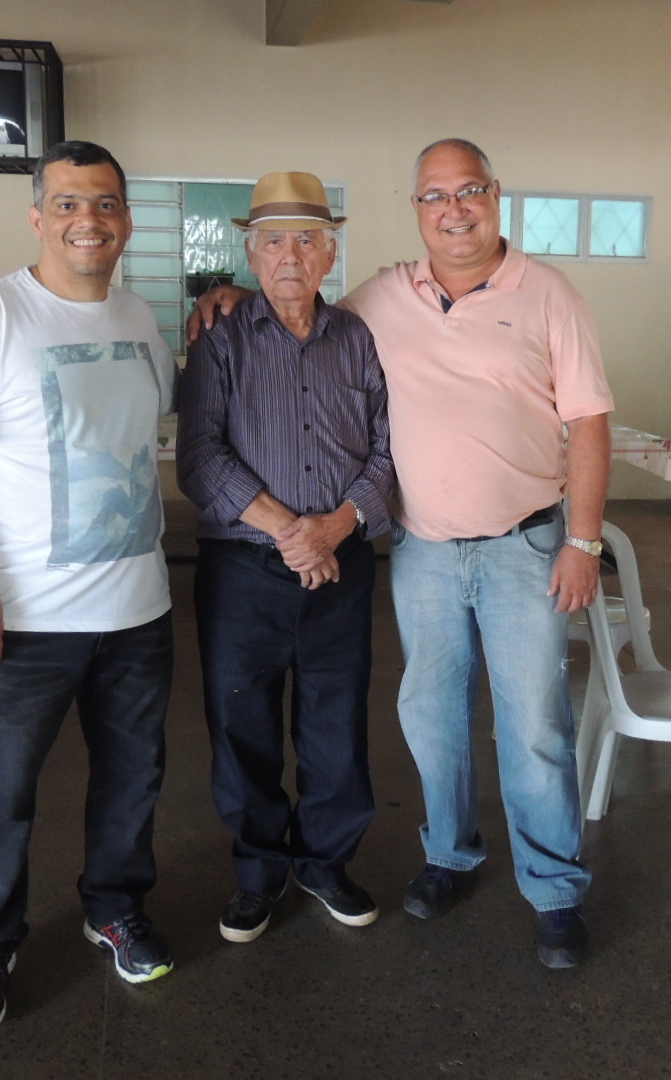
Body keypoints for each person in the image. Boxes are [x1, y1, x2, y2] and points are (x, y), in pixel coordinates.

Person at [193, 139, 612, 968]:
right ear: (416, 209)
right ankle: (450, 856)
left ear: (495, 195)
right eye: (435, 196)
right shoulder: (382, 297)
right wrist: (229, 295)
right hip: (421, 551)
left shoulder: (549, 295)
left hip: (523, 544)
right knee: (431, 717)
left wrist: (583, 541)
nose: (454, 209)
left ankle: (555, 888)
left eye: (469, 192)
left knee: (534, 725)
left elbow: (589, 423)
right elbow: (286, 319)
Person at [0, 141, 178, 1032]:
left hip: (138, 609)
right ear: (37, 218)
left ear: (125, 219)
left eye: (103, 203)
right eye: (66, 204)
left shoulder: (140, 319)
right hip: (21, 620)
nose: (86, 220)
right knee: (0, 797)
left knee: (132, 781)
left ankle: (113, 907)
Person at [177, 171, 394, 944]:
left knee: (336, 724)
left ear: (331, 250)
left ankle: (326, 863)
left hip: (341, 567)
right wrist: (289, 532)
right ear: (251, 252)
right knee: (244, 729)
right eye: (274, 240)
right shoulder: (220, 339)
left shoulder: (360, 339)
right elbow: (198, 458)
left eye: (307, 237)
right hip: (243, 574)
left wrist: (333, 529)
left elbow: (385, 456)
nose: (291, 254)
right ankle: (260, 871)